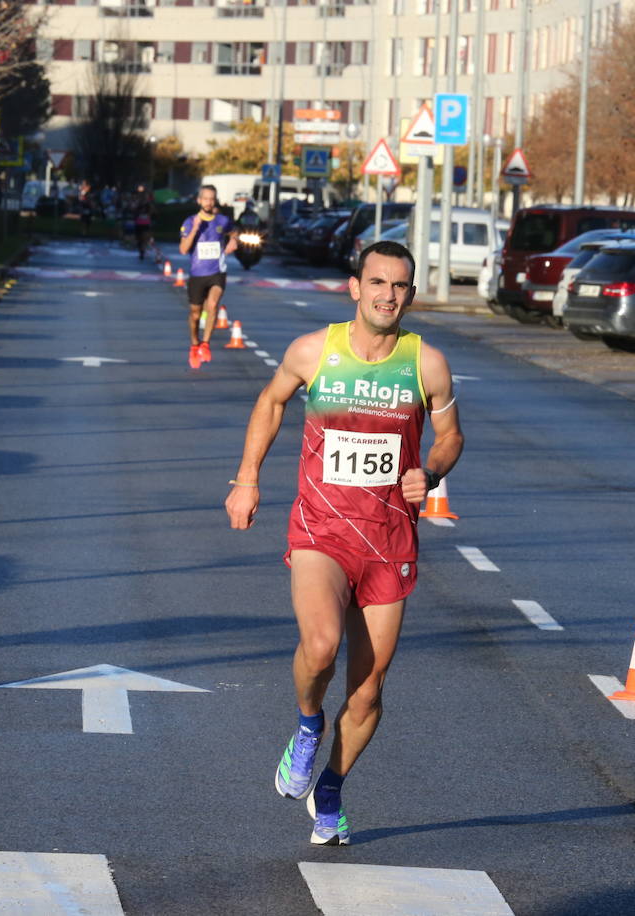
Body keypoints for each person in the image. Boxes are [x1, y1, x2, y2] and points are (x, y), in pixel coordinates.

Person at [225, 240, 464, 847]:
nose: (389, 295)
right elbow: (271, 401)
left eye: (401, 286)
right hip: (321, 530)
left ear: (411, 294)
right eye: (378, 283)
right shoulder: (314, 351)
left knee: (367, 693)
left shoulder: (426, 364)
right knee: (322, 643)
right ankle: (307, 727)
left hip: (389, 538)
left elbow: (450, 437)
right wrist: (247, 480)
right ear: (354, 287)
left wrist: (430, 473)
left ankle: (331, 786)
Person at [178, 185, 239, 369]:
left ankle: (205, 344)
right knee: (195, 314)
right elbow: (183, 249)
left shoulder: (222, 220)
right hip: (197, 274)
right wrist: (195, 229)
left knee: (212, 305)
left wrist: (234, 240)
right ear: (199, 200)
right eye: (205, 198)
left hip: (217, 272)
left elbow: (234, 231)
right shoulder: (190, 221)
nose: (209, 202)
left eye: (212, 199)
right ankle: (194, 344)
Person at [132, 185, 153, 260]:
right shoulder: (138, 203)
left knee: (143, 238)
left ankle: (143, 249)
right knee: (139, 239)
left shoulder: (148, 204)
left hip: (145, 223)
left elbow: (151, 212)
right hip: (139, 223)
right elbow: (134, 210)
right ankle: (141, 250)